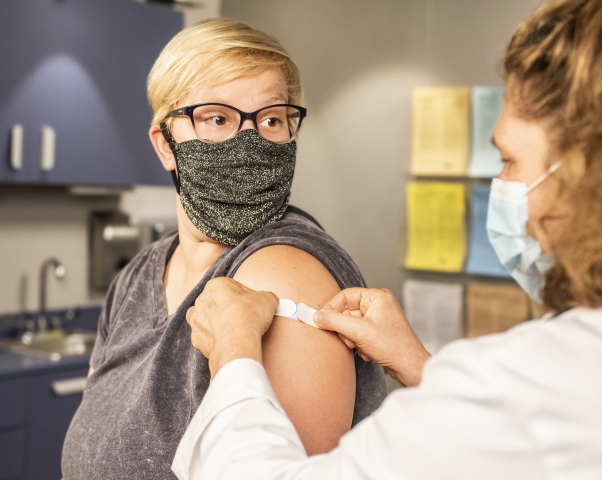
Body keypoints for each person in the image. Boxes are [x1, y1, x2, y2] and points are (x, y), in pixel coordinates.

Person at [173, 0, 602, 478]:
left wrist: (235, 353)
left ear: (597, 177)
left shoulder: (538, 383)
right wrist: (420, 364)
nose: (500, 188)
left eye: (511, 160)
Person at [60, 18, 386, 479]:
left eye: (272, 119)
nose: (249, 140)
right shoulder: (136, 280)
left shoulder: (285, 274)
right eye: (217, 118)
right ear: (166, 145)